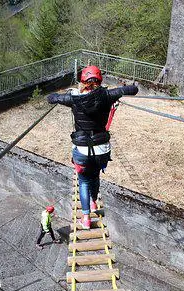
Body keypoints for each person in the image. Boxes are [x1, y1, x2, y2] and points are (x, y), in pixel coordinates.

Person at [47, 65, 138, 229]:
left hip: (82, 150)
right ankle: (94, 202)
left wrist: (54, 95)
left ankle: (86, 218)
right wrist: (122, 89)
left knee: (83, 182)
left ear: (82, 82)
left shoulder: (74, 98)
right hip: (101, 150)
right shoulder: (108, 95)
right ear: (100, 81)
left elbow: (52, 98)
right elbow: (134, 90)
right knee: (95, 176)